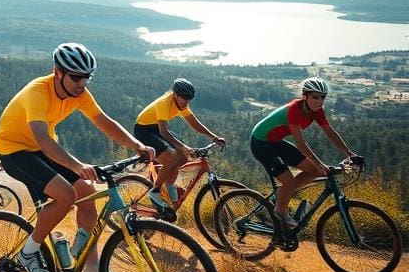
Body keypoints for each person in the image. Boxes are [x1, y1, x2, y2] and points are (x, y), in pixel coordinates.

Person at [0, 43, 154, 272]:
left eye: (87, 77)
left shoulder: (79, 94)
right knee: (66, 195)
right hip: (15, 150)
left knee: (87, 191)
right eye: (76, 77)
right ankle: (28, 253)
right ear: (58, 71)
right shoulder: (37, 92)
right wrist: (77, 166)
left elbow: (103, 121)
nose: (82, 83)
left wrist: (136, 145)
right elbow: (43, 141)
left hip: (42, 148)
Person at [250, 77, 362, 229]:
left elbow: (330, 133)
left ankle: (275, 201)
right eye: (315, 97)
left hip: (275, 142)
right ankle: (278, 214)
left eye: (323, 97)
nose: (319, 101)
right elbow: (301, 145)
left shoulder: (317, 111)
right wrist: (320, 163)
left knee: (314, 171)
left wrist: (350, 153)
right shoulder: (294, 109)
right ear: (305, 96)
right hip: (261, 142)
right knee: (291, 181)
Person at [133, 78, 226, 217]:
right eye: (184, 100)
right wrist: (182, 146)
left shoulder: (182, 104)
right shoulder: (165, 103)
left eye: (189, 101)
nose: (186, 103)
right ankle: (155, 191)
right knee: (171, 158)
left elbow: (194, 123)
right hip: (144, 130)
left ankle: (170, 188)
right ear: (175, 95)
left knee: (183, 157)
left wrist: (213, 137)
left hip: (156, 129)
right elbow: (164, 132)